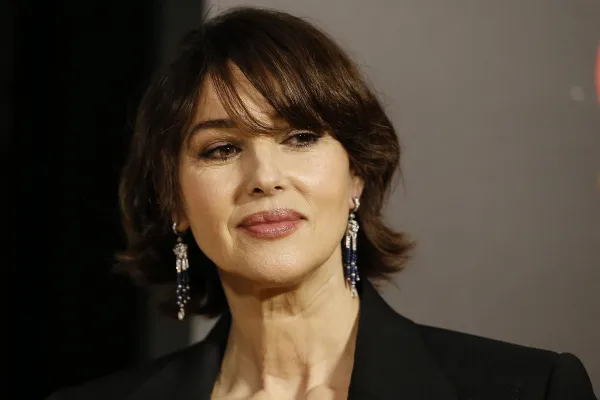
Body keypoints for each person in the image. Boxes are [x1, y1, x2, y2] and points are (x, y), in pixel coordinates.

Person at [49, 6, 596, 400]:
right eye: (221, 149)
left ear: (356, 173)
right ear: (175, 201)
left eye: (300, 138)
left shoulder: (527, 388)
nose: (265, 178)